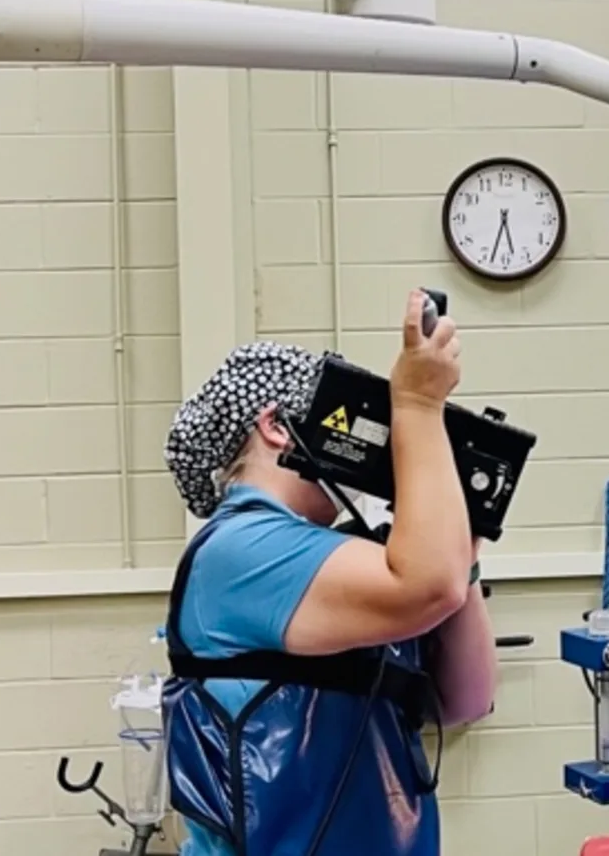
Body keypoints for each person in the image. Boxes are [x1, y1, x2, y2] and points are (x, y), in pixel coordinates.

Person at [158, 290, 497, 856]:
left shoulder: (342, 557)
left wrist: (461, 548)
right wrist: (416, 404)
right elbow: (428, 586)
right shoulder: (239, 551)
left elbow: (465, 699)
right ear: (277, 427)